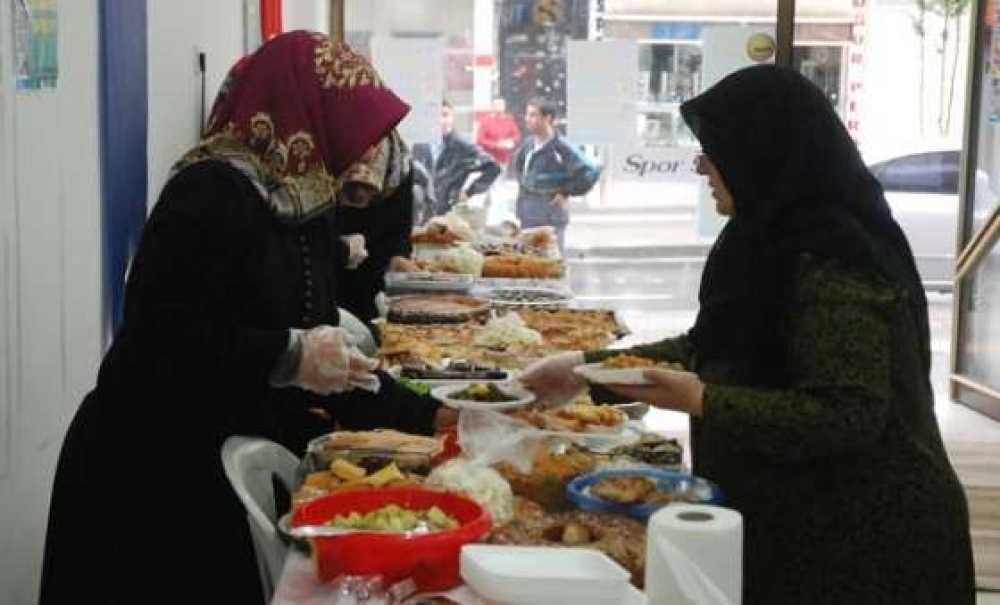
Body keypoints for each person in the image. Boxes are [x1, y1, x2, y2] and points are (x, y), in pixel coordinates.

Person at [520, 66, 974, 604]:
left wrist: (703, 399)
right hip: (793, 526)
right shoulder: (761, 238)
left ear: (763, 153)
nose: (701, 167)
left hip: (866, 547)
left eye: (712, 152)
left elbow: (847, 416)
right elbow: (711, 347)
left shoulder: (836, 260)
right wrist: (580, 369)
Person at [38, 32, 454, 605]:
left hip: (216, 468)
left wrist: (437, 416)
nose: (355, 153)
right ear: (303, 112)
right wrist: (286, 354)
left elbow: (336, 363)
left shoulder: (300, 203)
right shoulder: (210, 191)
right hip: (149, 477)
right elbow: (158, 340)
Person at [336, 130, 420, 323]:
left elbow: (400, 225)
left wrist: (398, 256)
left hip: (375, 274)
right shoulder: (321, 154)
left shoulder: (398, 161)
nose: (359, 196)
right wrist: (340, 247)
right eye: (351, 187)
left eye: (368, 188)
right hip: (326, 272)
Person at [511, 97, 600, 254]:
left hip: (550, 217)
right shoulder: (528, 145)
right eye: (527, 114)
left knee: (550, 265)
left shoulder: (562, 148)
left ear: (548, 118)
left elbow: (590, 172)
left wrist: (567, 191)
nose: (527, 119)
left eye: (533, 115)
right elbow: (519, 171)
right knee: (530, 266)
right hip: (528, 216)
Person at [412, 99, 501, 220]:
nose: (441, 121)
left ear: (452, 117)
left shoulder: (462, 146)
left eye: (445, 115)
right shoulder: (420, 146)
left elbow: (493, 167)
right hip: (422, 214)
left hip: (449, 213)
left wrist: (469, 191)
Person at [476, 97, 521, 167]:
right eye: (497, 105)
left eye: (501, 104)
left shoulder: (509, 120)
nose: (499, 107)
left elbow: (517, 136)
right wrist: (496, 145)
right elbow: (480, 140)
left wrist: (510, 141)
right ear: (492, 106)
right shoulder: (486, 121)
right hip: (489, 159)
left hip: (504, 159)